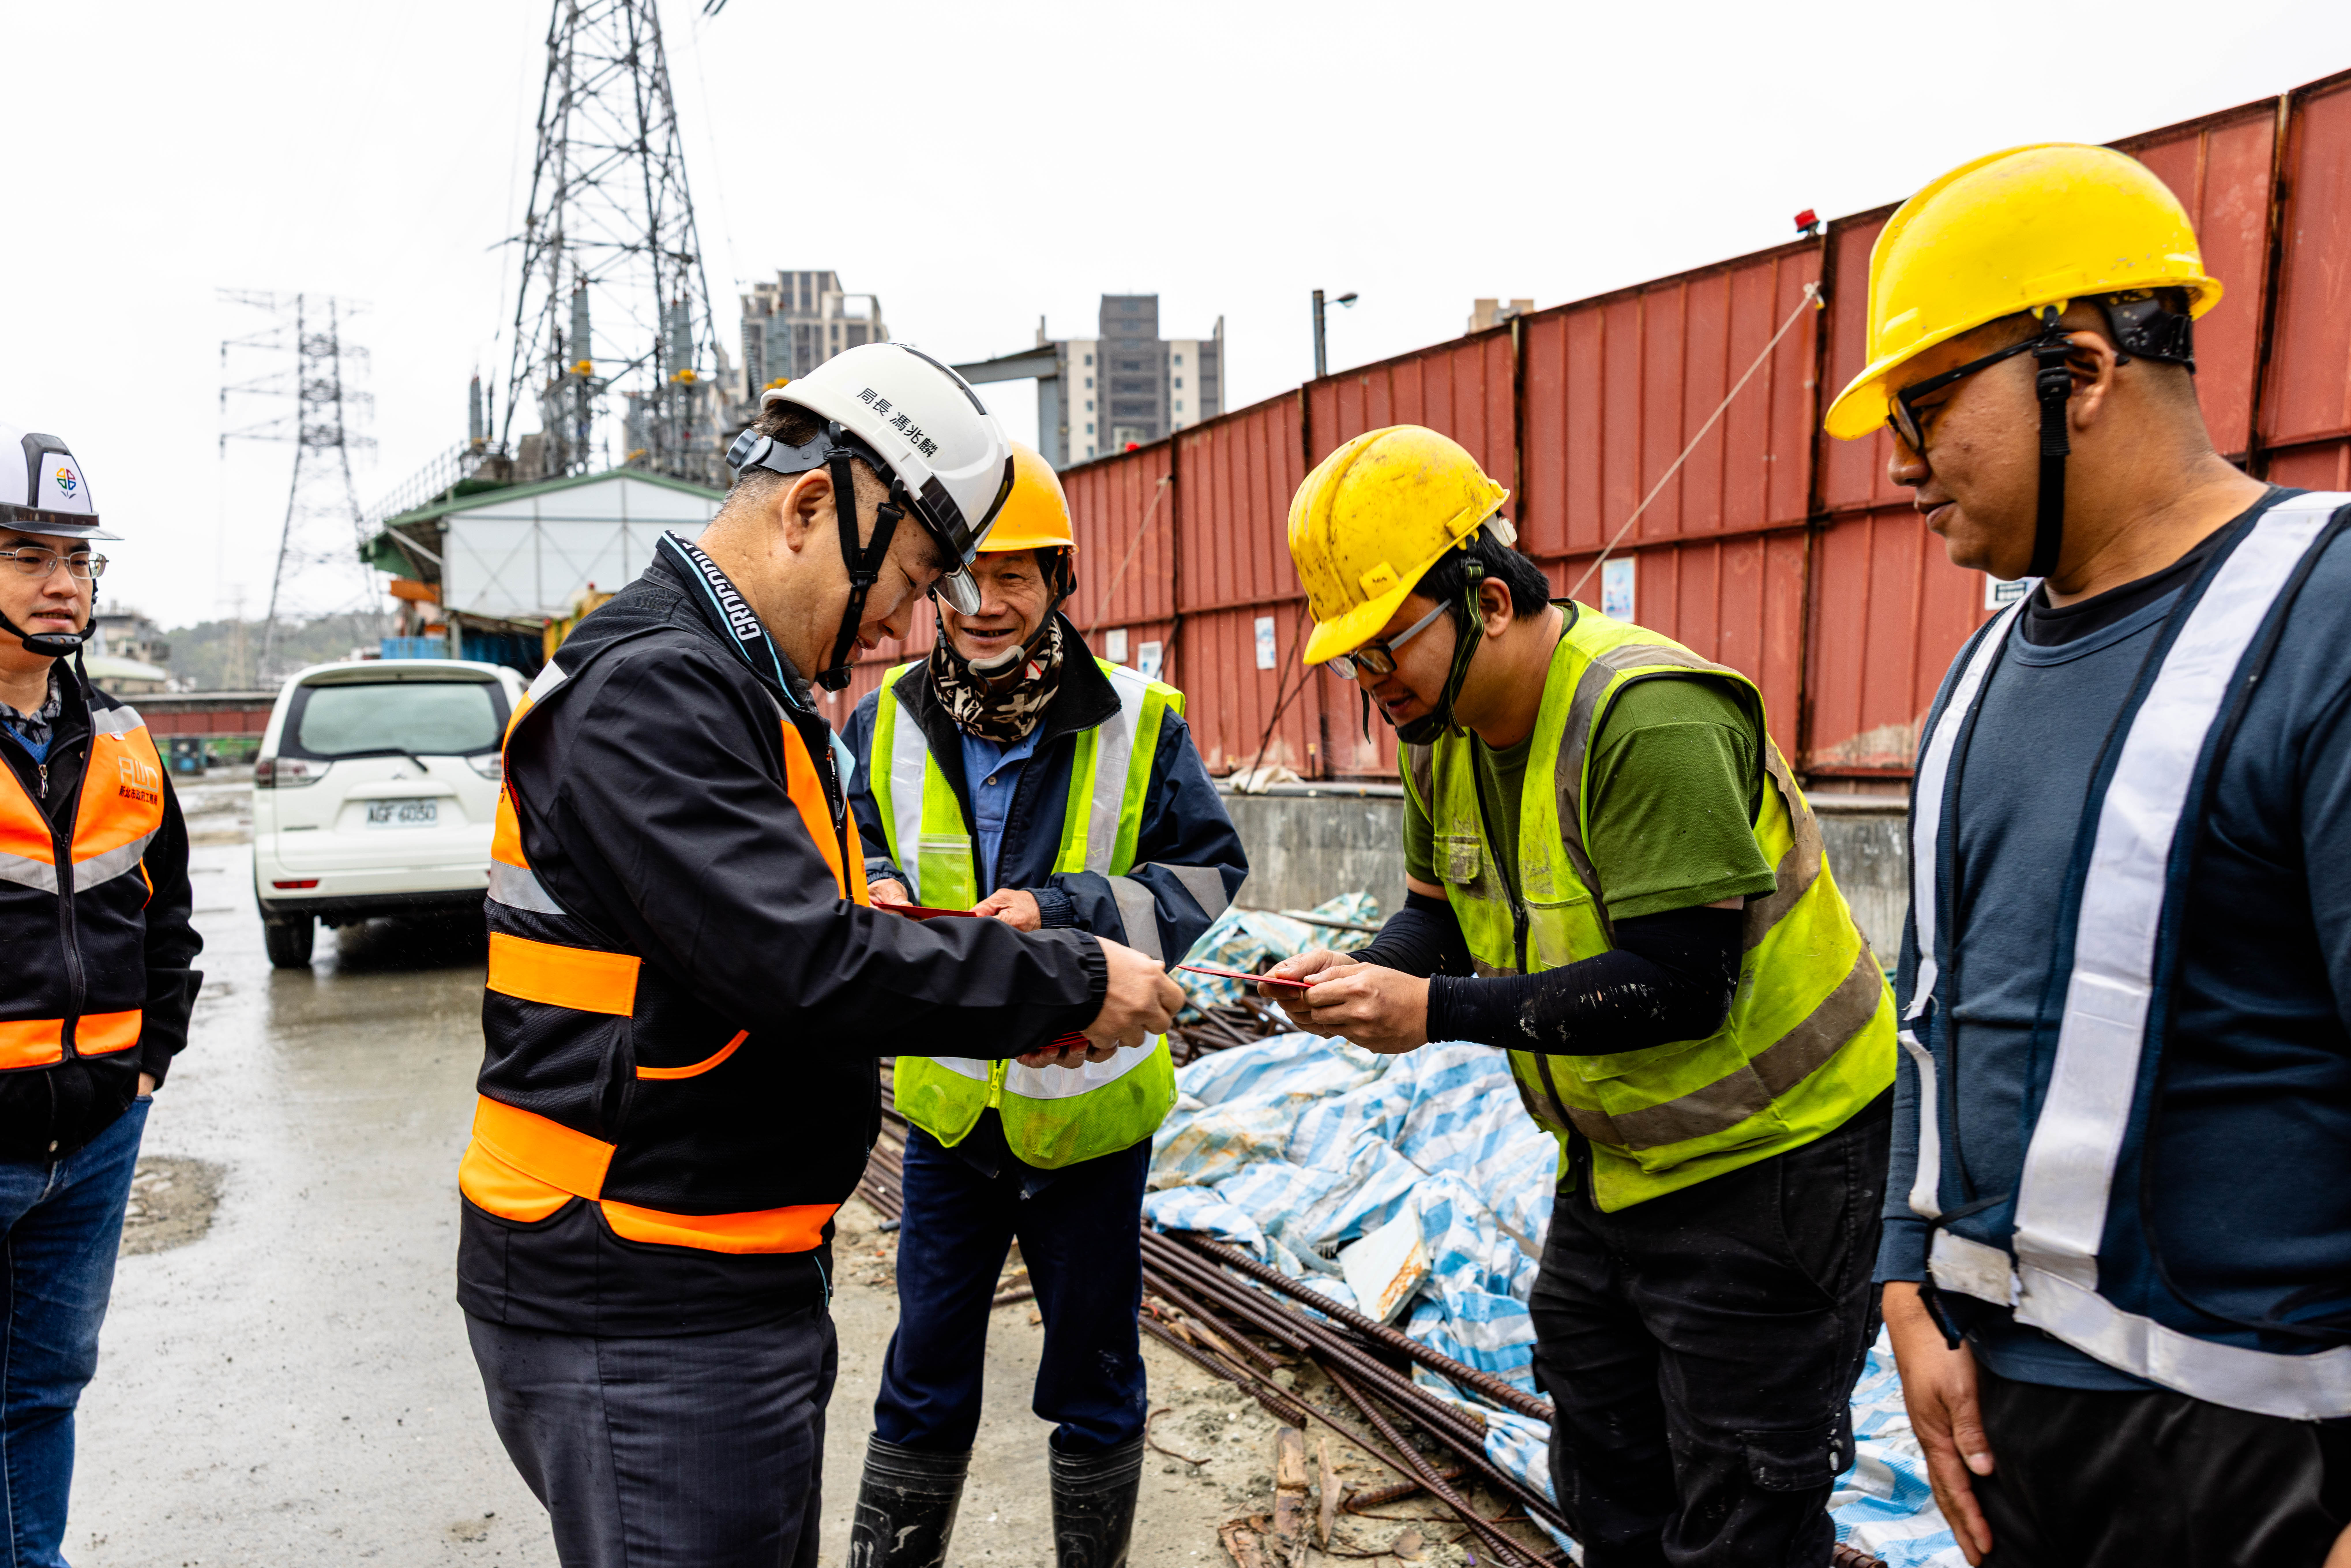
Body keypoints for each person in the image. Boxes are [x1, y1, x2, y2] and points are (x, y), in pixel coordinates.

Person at [457, 344, 1186, 1568]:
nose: (915, 618)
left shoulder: (738, 685)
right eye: (910, 576)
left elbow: (802, 929)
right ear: (810, 508)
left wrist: (994, 957)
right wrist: (1066, 978)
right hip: (638, 1285)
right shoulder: (654, 692)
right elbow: (804, 960)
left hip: (711, 1266)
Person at [1822, 143, 2351, 1566]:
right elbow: (1926, 1020)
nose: (1900, 463)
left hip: (2253, 1452)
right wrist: (1905, 1291)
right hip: (2007, 1418)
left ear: (2081, 367)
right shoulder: (1985, 667)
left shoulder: (2323, 617)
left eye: (1928, 406)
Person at [1264, 425, 1895, 1566]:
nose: (1372, 684)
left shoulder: (1646, 716)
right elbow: (1437, 916)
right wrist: (1372, 974)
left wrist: (1436, 1011)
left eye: (1384, 648)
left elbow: (1681, 985)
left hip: (1776, 1163)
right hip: (1615, 1164)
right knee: (1605, 1473)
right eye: (1351, 660)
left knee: (1746, 1506)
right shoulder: (1439, 733)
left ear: (1490, 599)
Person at [838, 442, 1246, 1568]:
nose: (986, 603)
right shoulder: (879, 722)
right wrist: (865, 880)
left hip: (1090, 1116)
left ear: (1061, 581)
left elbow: (1206, 874)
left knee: (1096, 1381)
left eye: (1016, 575)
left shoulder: (1139, 719)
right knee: (922, 1378)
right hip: (950, 1116)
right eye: (964, 574)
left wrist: (1066, 911)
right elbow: (845, 832)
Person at [0, 424, 202, 1565]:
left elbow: (166, 913)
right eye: (30, 556)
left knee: (41, 1389)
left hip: (95, 1133)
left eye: (77, 560)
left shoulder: (123, 739)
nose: (63, 583)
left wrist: (146, 1062)